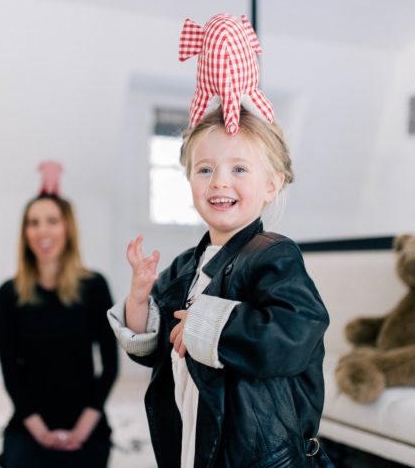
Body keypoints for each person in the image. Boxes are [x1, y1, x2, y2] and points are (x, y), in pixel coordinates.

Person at [108, 103, 333, 467]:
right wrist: (138, 301)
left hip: (258, 451)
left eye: (239, 169)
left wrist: (205, 324)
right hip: (195, 432)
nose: (219, 181)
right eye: (205, 169)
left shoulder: (274, 255)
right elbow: (155, 347)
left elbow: (297, 332)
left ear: (272, 185)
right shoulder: (186, 264)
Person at [0, 162, 118, 468]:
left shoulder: (94, 286)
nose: (42, 231)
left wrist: (81, 430)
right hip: (31, 422)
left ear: (68, 228)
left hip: (85, 419)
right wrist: (40, 433)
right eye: (33, 223)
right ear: (25, 232)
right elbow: (11, 372)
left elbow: (111, 365)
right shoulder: (8, 294)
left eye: (52, 220)